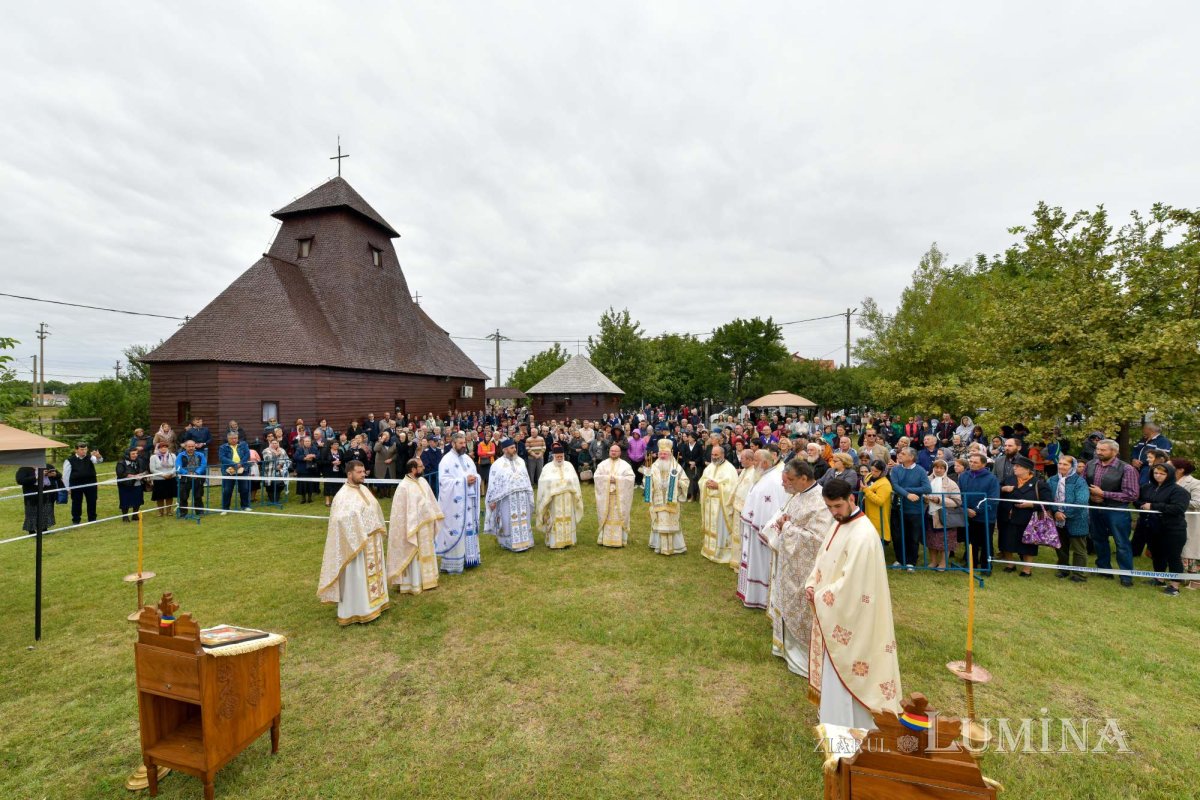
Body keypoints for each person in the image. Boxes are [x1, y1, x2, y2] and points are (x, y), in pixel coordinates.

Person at [804, 478, 903, 727]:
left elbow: (853, 586)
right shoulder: (840, 524)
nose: (833, 513)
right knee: (834, 665)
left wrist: (820, 596)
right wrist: (812, 583)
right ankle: (833, 717)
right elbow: (823, 558)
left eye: (837, 506)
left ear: (851, 499)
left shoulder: (863, 535)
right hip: (835, 611)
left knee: (850, 666)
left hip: (854, 617)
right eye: (829, 507)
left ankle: (851, 724)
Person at [761, 459, 831, 677]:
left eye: (789, 480)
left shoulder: (819, 501)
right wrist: (784, 521)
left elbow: (819, 539)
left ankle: (801, 658)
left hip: (805, 569)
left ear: (803, 478)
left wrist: (788, 527)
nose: (785, 485)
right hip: (789, 563)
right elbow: (789, 518)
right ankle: (784, 648)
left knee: (800, 608)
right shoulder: (799, 495)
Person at [317, 460, 390, 625]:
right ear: (349, 474)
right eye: (359, 472)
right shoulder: (342, 496)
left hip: (372, 541)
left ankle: (377, 604)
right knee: (358, 577)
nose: (363, 474)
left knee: (373, 574)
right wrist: (359, 531)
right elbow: (340, 520)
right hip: (356, 544)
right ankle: (360, 610)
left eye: (364, 471)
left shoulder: (364, 489)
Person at [1086, 438, 1139, 587]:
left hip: (1116, 510)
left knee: (1122, 543)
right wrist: (1090, 495)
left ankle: (1126, 576)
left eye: (1103, 450)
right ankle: (1104, 569)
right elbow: (1083, 484)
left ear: (1114, 452)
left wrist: (1104, 494)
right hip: (1095, 508)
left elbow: (1132, 494)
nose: (1098, 452)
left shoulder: (1127, 469)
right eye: (1098, 449)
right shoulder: (1091, 464)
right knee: (1098, 539)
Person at [387, 458, 444, 595]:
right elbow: (400, 513)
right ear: (413, 469)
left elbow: (430, 500)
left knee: (428, 550)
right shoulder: (403, 487)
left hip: (426, 525)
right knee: (414, 552)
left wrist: (434, 515)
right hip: (413, 528)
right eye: (420, 466)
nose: (423, 468)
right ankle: (414, 583)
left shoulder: (423, 481)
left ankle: (429, 580)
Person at [738, 446, 785, 607]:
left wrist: (762, 529)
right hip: (752, 528)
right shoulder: (763, 476)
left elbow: (770, 509)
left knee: (762, 564)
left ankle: (761, 598)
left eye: (756, 461)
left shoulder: (771, 481)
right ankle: (752, 595)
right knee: (754, 562)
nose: (753, 464)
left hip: (760, 531)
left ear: (765, 463)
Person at [1139, 462, 1190, 596]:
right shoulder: (1147, 487)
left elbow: (1178, 508)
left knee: (1173, 557)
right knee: (1157, 554)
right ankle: (1159, 579)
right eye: (1156, 473)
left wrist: (1154, 506)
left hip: (1173, 529)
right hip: (1152, 527)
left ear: (1170, 474)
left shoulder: (1179, 491)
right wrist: (1144, 505)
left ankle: (1174, 586)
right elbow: (1138, 501)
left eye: (1162, 473)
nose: (1158, 476)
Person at [437, 432, 483, 571]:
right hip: (455, 504)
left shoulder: (467, 459)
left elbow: (475, 474)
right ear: (453, 444)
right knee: (457, 529)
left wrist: (475, 479)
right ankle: (455, 562)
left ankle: (470, 558)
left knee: (469, 529)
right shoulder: (446, 460)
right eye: (461, 443)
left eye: (464, 443)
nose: (464, 446)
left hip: (469, 502)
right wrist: (464, 481)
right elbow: (444, 483)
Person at [998, 455, 1050, 577]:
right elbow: (997, 489)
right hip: (1007, 517)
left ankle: (1027, 569)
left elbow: (1047, 502)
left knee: (1028, 544)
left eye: (1018, 466)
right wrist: (1003, 489)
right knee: (1006, 541)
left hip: (1027, 520)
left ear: (1027, 469)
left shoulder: (1039, 483)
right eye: (1014, 466)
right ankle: (1010, 564)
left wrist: (1031, 505)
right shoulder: (1009, 479)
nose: (1014, 468)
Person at [485, 437, 536, 552]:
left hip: (522, 497)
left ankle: (525, 541)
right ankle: (508, 543)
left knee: (524, 519)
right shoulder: (497, 465)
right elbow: (493, 484)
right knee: (508, 521)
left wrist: (529, 494)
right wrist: (492, 500)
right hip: (506, 499)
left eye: (514, 447)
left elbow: (526, 478)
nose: (515, 450)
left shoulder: (521, 461)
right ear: (505, 450)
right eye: (512, 448)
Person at [643, 439, 691, 555]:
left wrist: (678, 483)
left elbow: (685, 480)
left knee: (671, 521)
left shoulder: (676, 466)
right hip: (658, 500)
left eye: (665, 454)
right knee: (659, 521)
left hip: (671, 500)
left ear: (670, 454)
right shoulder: (654, 466)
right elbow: (646, 480)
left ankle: (675, 546)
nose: (663, 456)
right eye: (661, 454)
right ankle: (658, 545)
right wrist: (650, 484)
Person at [1048, 456, 1090, 581]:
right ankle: (1063, 569)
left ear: (1072, 467)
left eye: (1065, 464)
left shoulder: (1079, 481)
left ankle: (1079, 574)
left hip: (1077, 519)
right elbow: (1048, 498)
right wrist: (1056, 512)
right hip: (1057, 519)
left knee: (1079, 549)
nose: (1061, 466)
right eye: (1060, 463)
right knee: (1060, 546)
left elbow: (1081, 501)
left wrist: (1065, 514)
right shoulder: (1052, 480)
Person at [536, 442, 584, 549]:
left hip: (567, 497)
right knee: (555, 519)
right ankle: (554, 542)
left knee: (568, 518)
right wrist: (558, 485)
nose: (559, 458)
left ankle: (568, 540)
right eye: (557, 456)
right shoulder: (547, 467)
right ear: (553, 456)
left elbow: (574, 480)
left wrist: (567, 485)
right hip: (554, 499)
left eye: (561, 456)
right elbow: (543, 482)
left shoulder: (569, 465)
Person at [889, 447, 930, 570]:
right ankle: (900, 559)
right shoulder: (896, 469)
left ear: (911, 457)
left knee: (913, 536)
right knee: (897, 536)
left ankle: (911, 561)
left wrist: (906, 489)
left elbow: (927, 488)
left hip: (914, 509)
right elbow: (895, 486)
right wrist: (907, 494)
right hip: (898, 507)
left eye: (903, 453)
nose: (899, 455)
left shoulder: (920, 470)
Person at [958, 452, 1000, 571]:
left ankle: (986, 566)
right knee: (971, 541)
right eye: (970, 461)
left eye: (975, 462)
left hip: (985, 516)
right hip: (968, 515)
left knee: (986, 541)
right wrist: (965, 509)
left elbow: (993, 498)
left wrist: (977, 510)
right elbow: (959, 494)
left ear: (983, 464)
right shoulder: (964, 476)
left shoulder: (992, 479)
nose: (972, 464)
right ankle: (971, 563)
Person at [699, 444, 739, 563]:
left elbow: (733, 488)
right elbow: (702, 480)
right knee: (710, 526)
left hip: (721, 504)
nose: (714, 457)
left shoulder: (730, 469)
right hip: (709, 501)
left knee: (720, 528)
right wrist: (706, 483)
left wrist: (718, 486)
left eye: (716, 455)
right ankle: (708, 550)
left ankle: (721, 552)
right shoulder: (710, 467)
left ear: (723, 455)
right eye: (712, 454)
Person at [594, 443, 635, 547]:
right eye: (612, 451)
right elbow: (597, 477)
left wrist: (616, 479)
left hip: (619, 497)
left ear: (620, 453)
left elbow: (630, 479)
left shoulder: (625, 465)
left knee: (619, 516)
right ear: (609, 452)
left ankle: (620, 540)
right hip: (606, 497)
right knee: (605, 516)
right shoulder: (602, 464)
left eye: (616, 451)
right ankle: (604, 539)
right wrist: (607, 479)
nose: (613, 452)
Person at [924, 459, 963, 570]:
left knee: (945, 541)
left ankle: (943, 563)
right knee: (930, 539)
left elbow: (957, 501)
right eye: (936, 467)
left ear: (945, 469)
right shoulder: (927, 480)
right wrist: (925, 499)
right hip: (929, 514)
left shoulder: (951, 483)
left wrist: (939, 500)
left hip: (945, 515)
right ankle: (933, 561)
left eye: (941, 468)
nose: (938, 470)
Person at [729, 454, 761, 573]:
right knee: (737, 535)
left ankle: (742, 562)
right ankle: (736, 560)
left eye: (742, 458)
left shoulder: (754, 473)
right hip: (738, 507)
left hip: (745, 509)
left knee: (743, 536)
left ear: (750, 459)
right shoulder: (745, 471)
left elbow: (750, 491)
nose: (740, 460)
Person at [1171, 458, 1200, 581]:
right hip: (1173, 520)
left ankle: (1195, 580)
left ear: (1181, 470)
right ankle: (1178, 576)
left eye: (1170, 466)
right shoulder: (1169, 481)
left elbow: (1198, 503)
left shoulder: (1194, 483)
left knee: (1190, 549)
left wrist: (1178, 502)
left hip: (1190, 520)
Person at [63, 441, 103, 525]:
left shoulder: (91, 457)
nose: (84, 451)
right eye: (81, 449)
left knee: (92, 501)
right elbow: (66, 476)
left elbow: (99, 461)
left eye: (85, 449)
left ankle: (92, 519)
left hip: (91, 484)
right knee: (76, 502)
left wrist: (98, 456)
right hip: (76, 485)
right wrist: (67, 488)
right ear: (76, 450)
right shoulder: (69, 460)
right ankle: (76, 520)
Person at [16, 463, 63, 534]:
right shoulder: (24, 468)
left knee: (46, 510)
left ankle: (44, 528)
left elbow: (59, 475)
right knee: (32, 511)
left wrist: (54, 475)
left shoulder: (48, 466)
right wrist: (37, 477)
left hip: (47, 494)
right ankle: (31, 530)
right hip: (32, 495)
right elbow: (20, 480)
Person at [217, 432, 251, 514]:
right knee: (227, 490)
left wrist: (241, 463)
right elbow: (222, 457)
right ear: (228, 439)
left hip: (243, 468)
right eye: (232, 438)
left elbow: (247, 454)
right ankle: (225, 508)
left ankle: (245, 506)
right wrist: (234, 464)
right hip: (229, 470)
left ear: (238, 438)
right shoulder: (223, 447)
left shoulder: (244, 444)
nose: (234, 440)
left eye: (235, 438)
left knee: (244, 489)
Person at [860, 460, 892, 544]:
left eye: (876, 471)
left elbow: (880, 501)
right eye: (872, 470)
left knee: (876, 540)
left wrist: (866, 490)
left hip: (877, 515)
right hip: (866, 511)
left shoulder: (885, 484)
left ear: (882, 472)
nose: (873, 473)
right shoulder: (869, 476)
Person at [175, 439, 207, 516]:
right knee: (183, 497)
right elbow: (178, 466)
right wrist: (187, 473)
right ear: (185, 447)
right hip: (185, 478)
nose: (191, 448)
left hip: (197, 478)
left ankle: (200, 512)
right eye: (189, 446)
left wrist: (197, 473)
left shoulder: (200, 455)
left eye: (192, 446)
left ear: (195, 446)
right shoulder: (180, 455)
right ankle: (183, 513)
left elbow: (203, 465)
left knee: (198, 496)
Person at [148, 441, 177, 516]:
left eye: (165, 447)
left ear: (167, 448)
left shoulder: (172, 455)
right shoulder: (153, 457)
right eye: (161, 447)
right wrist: (163, 475)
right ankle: (161, 512)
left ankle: (169, 511)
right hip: (158, 479)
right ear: (158, 448)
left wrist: (170, 473)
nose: (163, 449)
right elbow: (152, 469)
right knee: (159, 497)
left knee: (169, 496)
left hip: (171, 478)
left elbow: (176, 466)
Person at [261, 439, 291, 504]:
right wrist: (276, 455)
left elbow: (287, 460)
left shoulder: (282, 450)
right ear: (270, 443)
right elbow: (267, 459)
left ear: (278, 443)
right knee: (270, 486)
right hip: (269, 472)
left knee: (280, 485)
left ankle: (276, 499)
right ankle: (272, 500)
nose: (274, 444)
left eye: (276, 443)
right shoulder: (266, 450)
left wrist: (281, 465)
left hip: (280, 472)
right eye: (273, 443)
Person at [292, 436, 320, 504]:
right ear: (303, 442)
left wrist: (313, 456)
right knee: (302, 485)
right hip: (302, 470)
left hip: (311, 469)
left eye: (308, 441)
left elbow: (319, 456)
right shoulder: (299, 449)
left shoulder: (314, 448)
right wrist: (305, 458)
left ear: (311, 442)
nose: (307, 442)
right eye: (306, 441)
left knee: (310, 484)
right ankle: (303, 499)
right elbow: (295, 457)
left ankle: (310, 498)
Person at [319, 440, 346, 508]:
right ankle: (327, 501)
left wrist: (340, 462)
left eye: (337, 444)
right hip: (328, 471)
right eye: (335, 444)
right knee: (328, 485)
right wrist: (331, 463)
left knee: (338, 486)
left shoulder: (340, 451)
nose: (336, 445)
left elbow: (343, 460)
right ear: (331, 445)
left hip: (338, 471)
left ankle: (336, 500)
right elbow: (322, 461)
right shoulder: (326, 451)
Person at [373, 430, 398, 498]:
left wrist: (391, 459)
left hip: (390, 465)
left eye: (387, 436)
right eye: (384, 436)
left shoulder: (393, 444)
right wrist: (381, 440)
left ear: (390, 437)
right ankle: (381, 494)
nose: (386, 437)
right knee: (381, 479)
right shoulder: (378, 443)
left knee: (389, 478)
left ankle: (388, 494)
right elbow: (375, 449)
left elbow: (396, 454)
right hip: (380, 465)